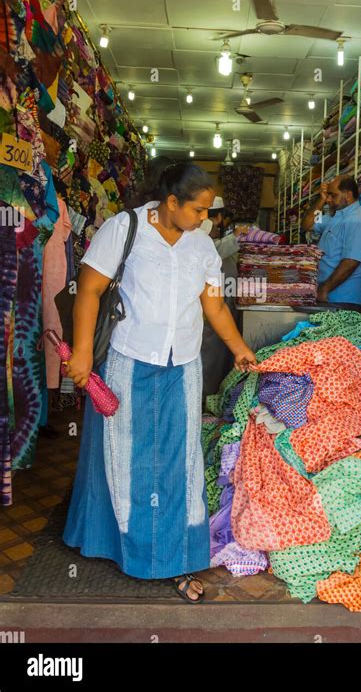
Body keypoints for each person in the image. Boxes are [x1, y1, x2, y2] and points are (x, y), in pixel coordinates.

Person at [62, 162, 257, 603]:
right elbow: (89, 289)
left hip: (183, 366)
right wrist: (82, 353)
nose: (205, 219)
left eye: (209, 211)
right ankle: (118, 544)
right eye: (198, 210)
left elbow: (215, 307)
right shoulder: (125, 228)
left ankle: (171, 559)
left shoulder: (202, 245)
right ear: (171, 202)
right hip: (129, 361)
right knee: (122, 455)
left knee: (177, 461)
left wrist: (240, 348)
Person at [200, 196, 249, 397]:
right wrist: (236, 237)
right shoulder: (204, 242)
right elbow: (216, 250)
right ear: (219, 218)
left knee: (220, 354)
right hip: (212, 306)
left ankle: (214, 394)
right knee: (210, 353)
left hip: (223, 301)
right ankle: (206, 396)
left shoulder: (215, 241)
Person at [302, 176, 361, 306]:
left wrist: (325, 288)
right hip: (330, 295)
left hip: (343, 298)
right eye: (328, 195)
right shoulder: (337, 217)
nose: (329, 200)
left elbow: (351, 262)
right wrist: (322, 199)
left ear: (348, 195)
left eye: (333, 195)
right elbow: (307, 225)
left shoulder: (358, 221)